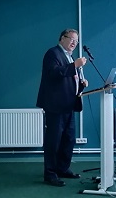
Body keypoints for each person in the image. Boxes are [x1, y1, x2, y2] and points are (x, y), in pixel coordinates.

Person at [36, 29, 88, 187]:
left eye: (76, 41)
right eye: (71, 39)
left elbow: (68, 80)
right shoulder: (53, 53)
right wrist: (75, 65)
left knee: (68, 139)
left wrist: (81, 84)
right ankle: (50, 174)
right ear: (62, 38)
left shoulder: (69, 56)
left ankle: (62, 168)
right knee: (54, 141)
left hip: (68, 104)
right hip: (55, 105)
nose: (74, 43)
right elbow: (54, 73)